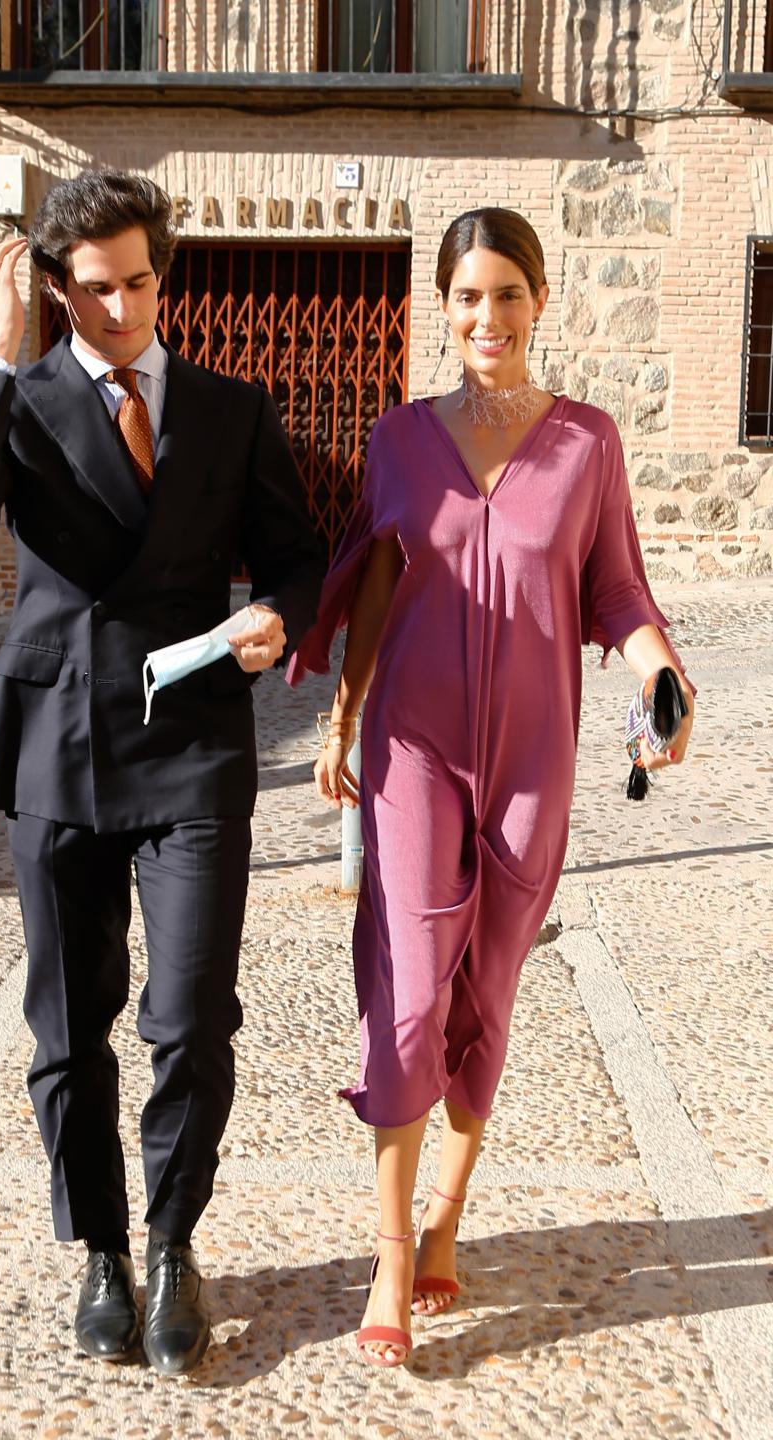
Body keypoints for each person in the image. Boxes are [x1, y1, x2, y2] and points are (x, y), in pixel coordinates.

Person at [0, 170, 323, 1375]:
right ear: (57, 290)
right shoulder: (23, 399)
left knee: (192, 1017)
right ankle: (102, 1249)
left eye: (141, 281)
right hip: (58, 746)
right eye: (96, 290)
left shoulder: (229, 405)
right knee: (66, 1025)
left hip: (194, 744)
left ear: (162, 272)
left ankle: (176, 1242)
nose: (125, 307)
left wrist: (282, 620)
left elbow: (295, 555)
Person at [288, 207, 694, 1367]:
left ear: (540, 301)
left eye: (506, 295)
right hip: (414, 745)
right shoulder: (399, 437)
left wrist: (660, 669)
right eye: (466, 296)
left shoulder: (588, 443)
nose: (486, 318)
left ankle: (449, 1220)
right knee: (412, 989)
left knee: (487, 996)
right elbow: (373, 581)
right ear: (444, 307)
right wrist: (345, 713)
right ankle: (387, 1253)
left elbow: (617, 590)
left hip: (535, 755)